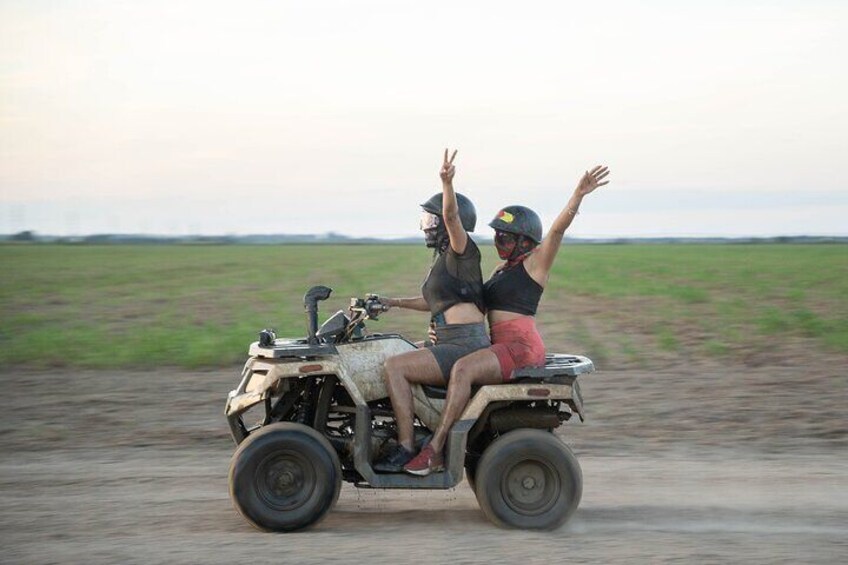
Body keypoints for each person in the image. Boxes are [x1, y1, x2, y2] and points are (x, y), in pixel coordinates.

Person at [403, 165, 611, 475]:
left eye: (505, 237)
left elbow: (556, 231)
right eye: (497, 235)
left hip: (520, 347)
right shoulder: (501, 273)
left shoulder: (535, 266)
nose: (498, 242)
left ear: (525, 241)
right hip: (499, 346)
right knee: (413, 351)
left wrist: (578, 195)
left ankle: (436, 448)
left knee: (462, 369)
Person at [372, 149, 490, 473]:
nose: (426, 226)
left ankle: (406, 447)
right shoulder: (445, 262)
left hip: (463, 345)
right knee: (393, 349)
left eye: (431, 219)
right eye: (425, 219)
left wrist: (446, 183)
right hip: (447, 342)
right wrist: (391, 302)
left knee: (395, 367)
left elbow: (452, 218)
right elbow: (434, 303)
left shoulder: (463, 252)